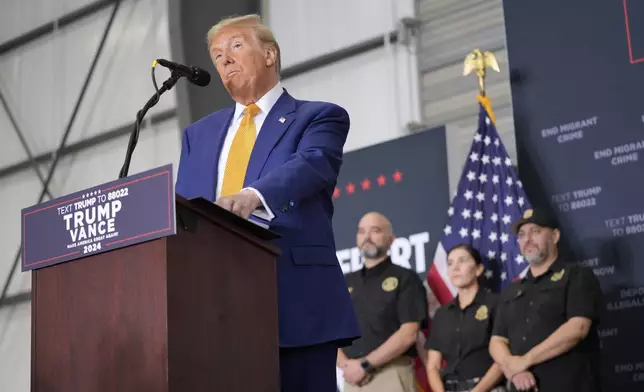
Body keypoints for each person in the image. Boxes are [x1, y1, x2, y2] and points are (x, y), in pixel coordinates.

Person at [174, 14, 360, 392]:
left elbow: (312, 164)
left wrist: (251, 197)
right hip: (214, 308)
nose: (223, 59)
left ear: (270, 54)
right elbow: (186, 209)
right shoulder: (199, 134)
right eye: (216, 54)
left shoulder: (318, 116)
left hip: (294, 302)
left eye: (236, 46)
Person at [489, 208, 603, 392]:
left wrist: (525, 361)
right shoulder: (511, 290)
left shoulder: (576, 276)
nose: (527, 239)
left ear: (555, 236)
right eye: (522, 235)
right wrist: (513, 370)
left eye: (535, 231)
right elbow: (497, 341)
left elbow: (577, 328)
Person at [337, 212, 428, 391]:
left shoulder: (406, 278)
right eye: (362, 231)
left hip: (391, 373)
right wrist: (345, 365)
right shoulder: (345, 282)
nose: (367, 237)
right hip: (351, 379)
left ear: (391, 239)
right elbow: (331, 332)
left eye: (375, 230)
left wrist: (365, 365)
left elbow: (409, 333)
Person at [424, 244, 505, 392]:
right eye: (450, 263)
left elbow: (503, 359)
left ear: (479, 269)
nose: (455, 268)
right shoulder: (442, 314)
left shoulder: (496, 304)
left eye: (462, 261)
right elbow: (433, 366)